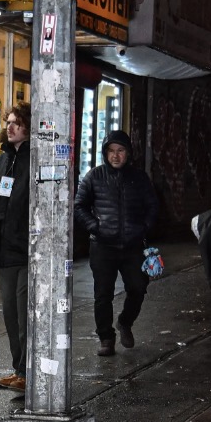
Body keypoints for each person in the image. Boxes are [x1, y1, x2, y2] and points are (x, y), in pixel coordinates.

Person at [74, 127, 159, 356]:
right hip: (103, 246)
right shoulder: (94, 176)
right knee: (103, 295)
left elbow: (153, 206)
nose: (116, 155)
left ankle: (125, 322)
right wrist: (95, 227)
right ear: (105, 153)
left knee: (138, 288)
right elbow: (79, 205)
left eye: (120, 150)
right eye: (111, 151)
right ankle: (106, 338)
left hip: (133, 246)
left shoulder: (139, 178)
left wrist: (144, 227)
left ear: (128, 152)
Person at [0, 104, 32, 392]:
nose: (11, 127)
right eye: (9, 122)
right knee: (10, 315)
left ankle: (28, 371)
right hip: (4, 250)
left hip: (27, 249)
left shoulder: (35, 159)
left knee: (25, 314)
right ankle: (18, 369)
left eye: (17, 123)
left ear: (28, 127)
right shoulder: (4, 160)